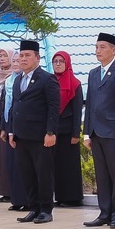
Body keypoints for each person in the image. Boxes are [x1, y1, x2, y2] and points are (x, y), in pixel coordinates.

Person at [81, 33, 115, 228]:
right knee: (101, 175)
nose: (98, 51)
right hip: (96, 132)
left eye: (103, 47)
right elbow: (90, 104)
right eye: (96, 47)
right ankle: (104, 212)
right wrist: (87, 132)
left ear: (114, 49)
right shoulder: (93, 73)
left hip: (114, 132)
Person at [7, 40, 60, 222]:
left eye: (27, 55)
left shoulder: (47, 79)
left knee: (43, 174)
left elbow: (54, 107)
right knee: (27, 174)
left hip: (40, 136)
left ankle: (46, 210)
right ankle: (34, 207)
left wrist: (51, 132)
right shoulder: (18, 79)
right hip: (21, 135)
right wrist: (11, 131)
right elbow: (14, 106)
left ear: (37, 57)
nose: (23, 59)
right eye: (21, 56)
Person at [50, 52, 85, 209]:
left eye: (61, 61)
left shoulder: (75, 83)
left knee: (70, 166)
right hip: (54, 132)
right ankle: (61, 196)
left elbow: (78, 111)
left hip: (68, 132)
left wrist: (75, 133)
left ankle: (73, 197)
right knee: (56, 166)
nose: (58, 64)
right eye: (55, 61)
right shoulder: (50, 82)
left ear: (67, 63)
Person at [0, 48, 24, 207]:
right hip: (5, 124)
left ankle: (19, 196)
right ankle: (11, 194)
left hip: (19, 126)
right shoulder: (6, 79)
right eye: (0, 56)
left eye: (6, 56)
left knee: (19, 163)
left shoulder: (21, 79)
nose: (3, 59)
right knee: (7, 162)